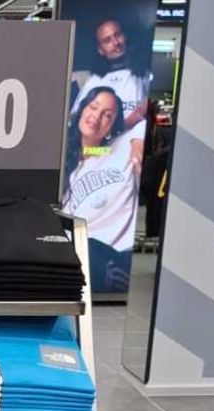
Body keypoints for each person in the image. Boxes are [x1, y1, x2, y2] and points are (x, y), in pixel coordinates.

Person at [62, 87, 140, 291]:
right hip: (79, 255)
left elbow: (143, 122)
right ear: (82, 109)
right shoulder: (70, 165)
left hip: (113, 258)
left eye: (107, 115)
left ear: (113, 125)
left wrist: (137, 140)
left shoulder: (121, 147)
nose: (96, 116)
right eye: (93, 107)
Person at [72, 17, 151, 131]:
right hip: (102, 142)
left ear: (125, 36)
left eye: (118, 35)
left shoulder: (143, 74)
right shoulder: (94, 81)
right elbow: (75, 121)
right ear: (100, 50)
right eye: (107, 41)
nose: (116, 43)